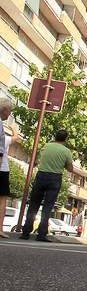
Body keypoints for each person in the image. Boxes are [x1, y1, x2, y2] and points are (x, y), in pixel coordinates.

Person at [19, 129, 74, 242]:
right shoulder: (66, 151)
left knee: (33, 204)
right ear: (66, 139)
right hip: (55, 178)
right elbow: (70, 168)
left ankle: (26, 232)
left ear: (55, 136)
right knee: (47, 207)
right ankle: (41, 234)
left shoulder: (46, 146)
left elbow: (40, 158)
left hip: (41, 175)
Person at [0, 99, 21, 239]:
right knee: (2, 199)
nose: (10, 114)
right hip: (1, 168)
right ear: (4, 110)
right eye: (10, 111)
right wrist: (14, 128)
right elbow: (15, 138)